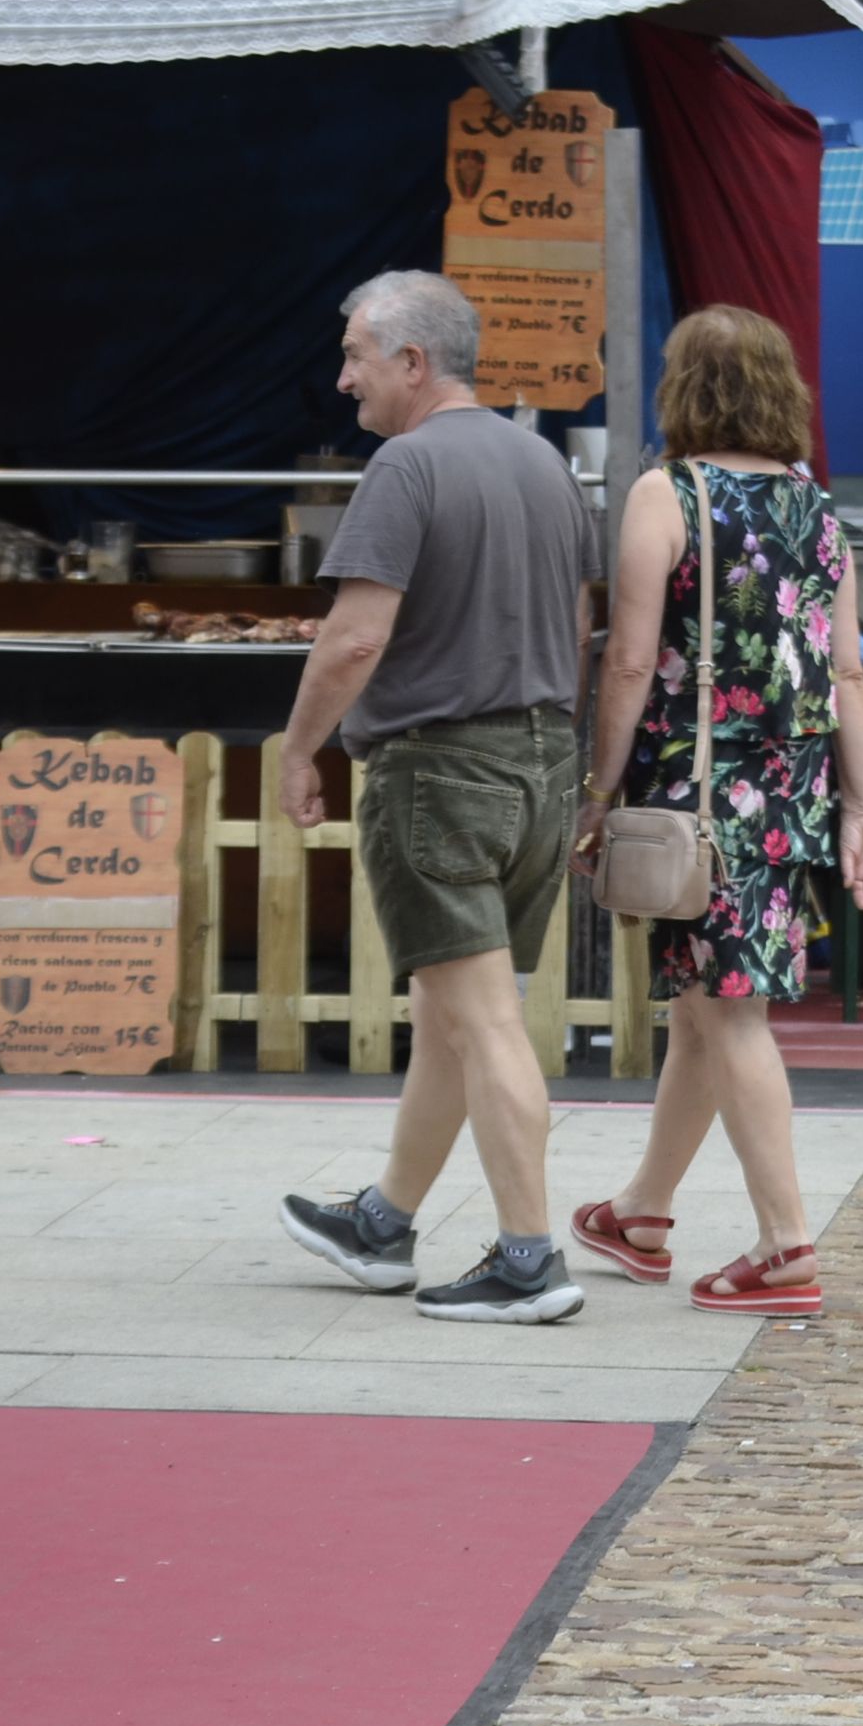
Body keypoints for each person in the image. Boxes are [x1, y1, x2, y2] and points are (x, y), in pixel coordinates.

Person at [274, 272, 599, 1324]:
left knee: (485, 1020)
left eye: (357, 355)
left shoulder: (405, 465)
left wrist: (297, 749)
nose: (343, 378)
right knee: (455, 1012)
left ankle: (528, 1260)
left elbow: (356, 637)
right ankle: (384, 1219)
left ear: (413, 363)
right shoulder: (543, 461)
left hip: (444, 770)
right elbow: (580, 618)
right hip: (543, 761)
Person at [569, 308, 863, 1316]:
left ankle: (786, 1245)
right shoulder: (814, 505)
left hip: (695, 792)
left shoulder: (668, 493)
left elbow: (629, 660)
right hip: (786, 794)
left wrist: (596, 790)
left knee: (732, 1011)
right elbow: (846, 667)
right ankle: (644, 1211)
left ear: (684, 388)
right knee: (706, 1006)